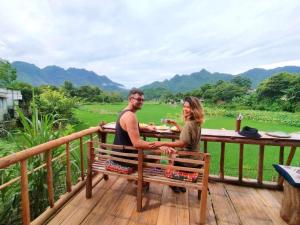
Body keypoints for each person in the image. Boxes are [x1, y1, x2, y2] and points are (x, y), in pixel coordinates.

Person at [154, 96, 205, 193]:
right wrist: (175, 123)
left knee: (169, 156)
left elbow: (183, 143)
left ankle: (174, 182)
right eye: (184, 106)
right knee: (173, 153)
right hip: (196, 160)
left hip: (188, 162)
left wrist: (162, 143)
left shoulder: (189, 124)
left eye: (189, 107)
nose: (185, 109)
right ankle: (178, 183)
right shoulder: (196, 122)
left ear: (195, 109)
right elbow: (186, 135)